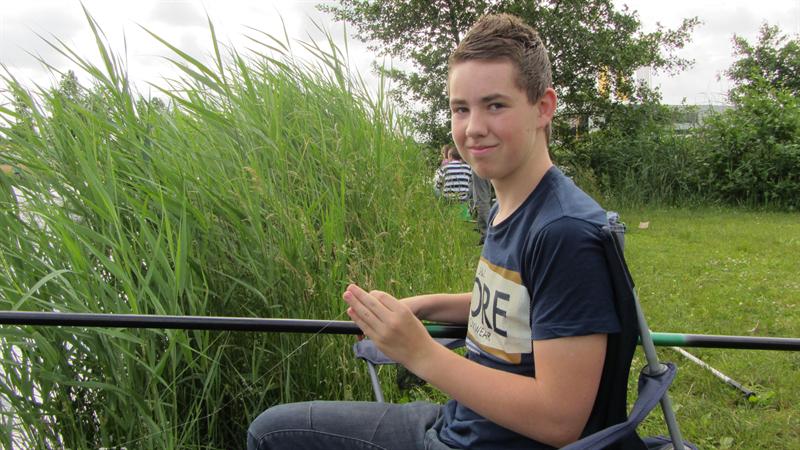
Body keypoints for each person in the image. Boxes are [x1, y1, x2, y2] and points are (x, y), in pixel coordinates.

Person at [248, 13, 620, 450]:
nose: (473, 127)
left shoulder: (563, 233)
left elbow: (559, 420)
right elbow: (521, 309)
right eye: (461, 109)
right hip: (459, 421)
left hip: (481, 442)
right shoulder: (510, 207)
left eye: (495, 105)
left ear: (543, 107)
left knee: (270, 437)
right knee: (271, 426)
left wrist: (419, 352)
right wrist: (423, 306)